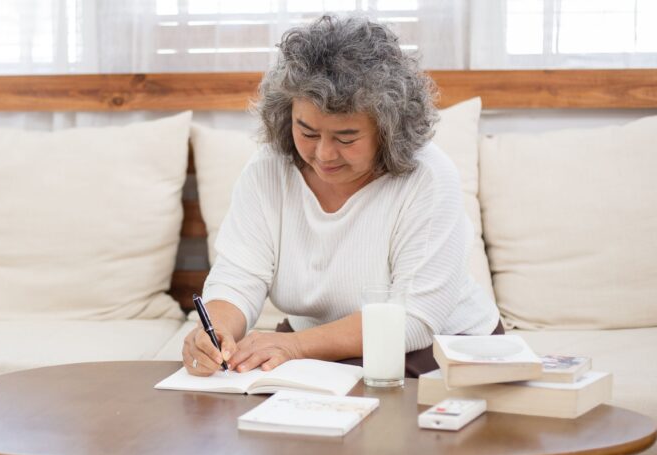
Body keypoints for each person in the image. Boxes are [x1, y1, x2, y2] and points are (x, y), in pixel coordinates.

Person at [182, 15, 502, 378]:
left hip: (440, 345)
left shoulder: (427, 177)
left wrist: (294, 346)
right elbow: (239, 276)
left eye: (346, 138)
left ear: (388, 129)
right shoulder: (266, 170)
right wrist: (218, 330)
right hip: (319, 344)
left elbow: (414, 319)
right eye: (307, 131)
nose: (324, 155)